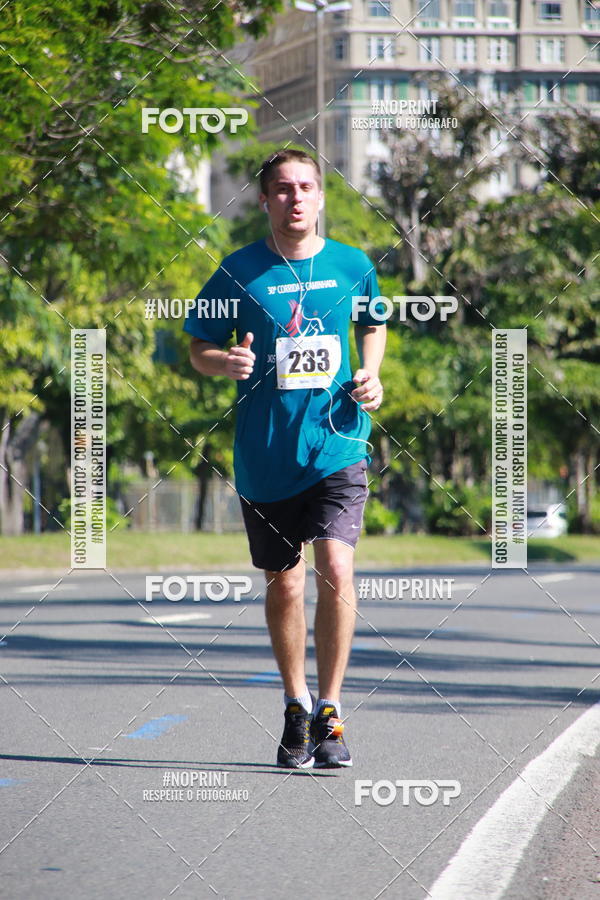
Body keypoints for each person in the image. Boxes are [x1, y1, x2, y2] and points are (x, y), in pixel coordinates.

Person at [184, 148, 386, 768]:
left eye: (305, 188)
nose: (295, 198)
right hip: (267, 454)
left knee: (336, 568)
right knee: (286, 582)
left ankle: (330, 711)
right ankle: (295, 704)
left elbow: (373, 322)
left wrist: (373, 375)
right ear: (266, 200)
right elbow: (196, 344)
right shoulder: (239, 271)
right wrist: (224, 361)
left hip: (338, 443)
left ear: (321, 198)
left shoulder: (353, 265)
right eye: (282, 189)